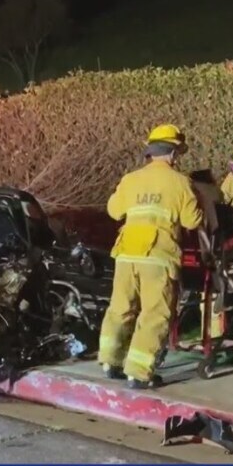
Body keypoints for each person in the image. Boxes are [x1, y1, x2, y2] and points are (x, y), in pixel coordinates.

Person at [98, 124, 204, 390]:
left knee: (120, 307)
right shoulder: (180, 182)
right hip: (158, 256)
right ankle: (139, 373)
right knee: (154, 314)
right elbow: (192, 221)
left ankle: (110, 361)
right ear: (174, 153)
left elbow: (113, 210)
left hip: (126, 254)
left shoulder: (130, 179)